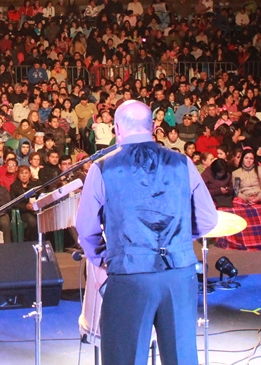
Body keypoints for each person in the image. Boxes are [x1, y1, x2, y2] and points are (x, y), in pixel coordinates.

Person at [75, 100, 218, 365]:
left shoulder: (103, 168)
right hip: (179, 273)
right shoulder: (183, 163)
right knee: (182, 358)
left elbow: (86, 228)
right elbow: (209, 219)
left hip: (129, 275)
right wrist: (179, 241)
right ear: (152, 127)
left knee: (124, 358)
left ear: (117, 128)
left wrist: (102, 257)